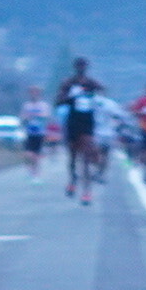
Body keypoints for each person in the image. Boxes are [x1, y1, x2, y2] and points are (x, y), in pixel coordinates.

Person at [53, 59, 105, 205]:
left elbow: (103, 91)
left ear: (86, 68)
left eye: (83, 66)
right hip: (73, 122)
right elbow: (58, 101)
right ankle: (72, 180)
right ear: (75, 68)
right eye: (79, 66)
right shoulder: (68, 83)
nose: (81, 69)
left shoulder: (91, 83)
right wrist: (70, 96)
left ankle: (87, 192)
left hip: (87, 122)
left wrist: (96, 97)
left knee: (86, 158)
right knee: (73, 156)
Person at [19, 86, 49, 177]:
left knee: (36, 154)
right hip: (29, 132)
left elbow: (46, 115)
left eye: (35, 93)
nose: (33, 95)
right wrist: (25, 118)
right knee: (28, 154)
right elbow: (22, 117)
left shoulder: (43, 105)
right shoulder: (26, 105)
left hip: (39, 133)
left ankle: (36, 172)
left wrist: (35, 115)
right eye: (32, 93)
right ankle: (31, 169)